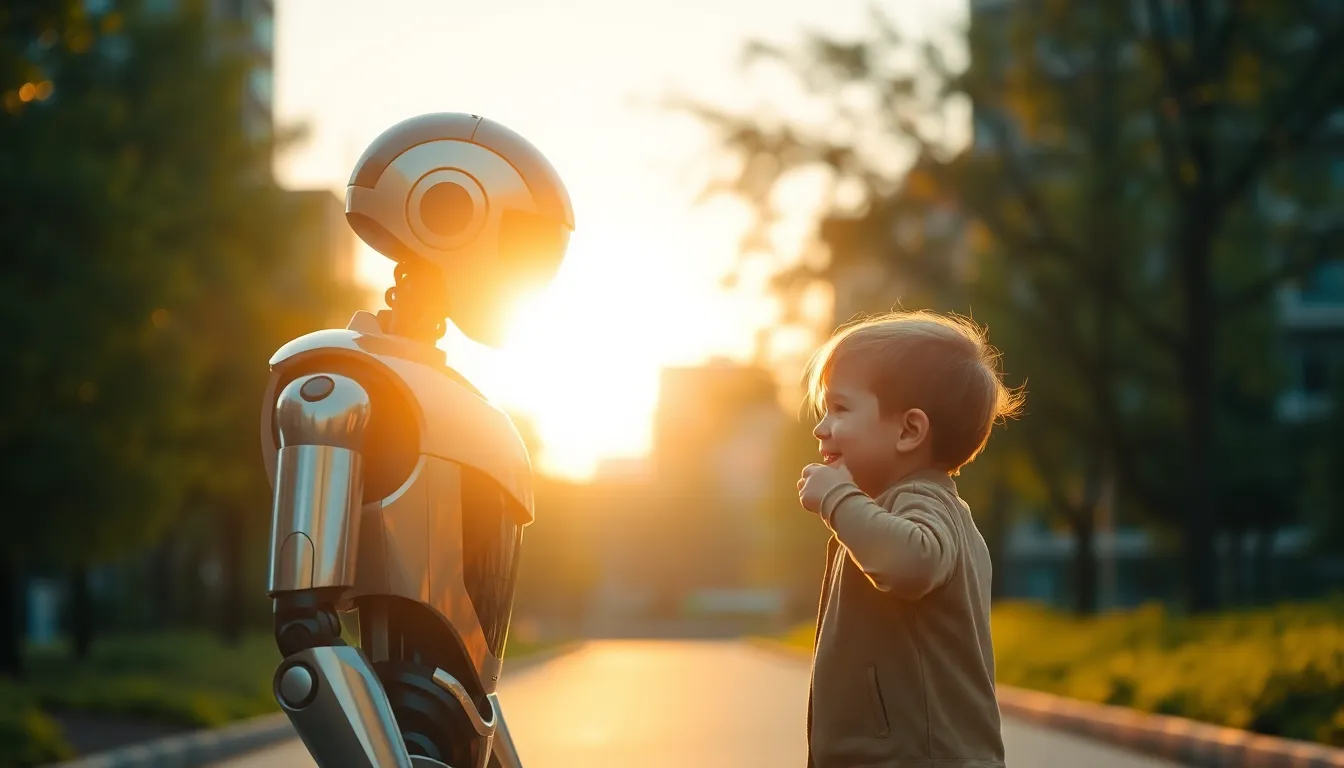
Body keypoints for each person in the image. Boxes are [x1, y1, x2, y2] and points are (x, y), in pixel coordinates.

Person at [796, 309, 1025, 768]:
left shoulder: (925, 502)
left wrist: (837, 498)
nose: (821, 428)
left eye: (840, 409)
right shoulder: (890, 510)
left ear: (909, 430)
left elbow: (912, 562)